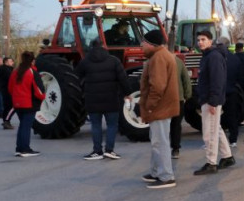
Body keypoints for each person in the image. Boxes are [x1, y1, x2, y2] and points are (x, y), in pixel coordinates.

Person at [136, 29, 179, 189]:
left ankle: (166, 176)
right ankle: (155, 172)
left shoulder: (158, 57)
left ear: (150, 43)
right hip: (162, 107)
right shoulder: (160, 55)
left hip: (160, 108)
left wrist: (149, 106)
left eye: (143, 42)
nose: (141, 45)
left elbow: (158, 86)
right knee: (157, 141)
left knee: (160, 142)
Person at [76, 38, 127, 160]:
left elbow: (76, 77)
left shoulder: (85, 62)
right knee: (112, 125)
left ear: (91, 47)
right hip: (111, 99)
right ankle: (109, 150)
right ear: (104, 46)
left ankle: (97, 151)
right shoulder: (114, 61)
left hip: (92, 99)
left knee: (96, 125)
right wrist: (128, 93)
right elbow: (123, 79)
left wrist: (84, 91)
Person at [193, 30, 233, 175]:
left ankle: (211, 163)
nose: (200, 42)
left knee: (209, 132)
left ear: (210, 41)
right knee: (216, 129)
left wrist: (213, 102)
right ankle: (227, 156)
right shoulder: (208, 56)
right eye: (198, 40)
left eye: (203, 39)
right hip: (208, 99)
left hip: (210, 101)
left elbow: (218, 81)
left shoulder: (213, 57)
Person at [7, 51, 45, 157]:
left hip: (17, 104)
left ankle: (19, 148)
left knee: (22, 126)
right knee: (26, 127)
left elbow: (10, 88)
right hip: (29, 104)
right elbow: (39, 90)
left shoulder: (15, 71)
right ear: (32, 61)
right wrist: (43, 97)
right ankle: (25, 149)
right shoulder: (32, 72)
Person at [220, 36, 244, 148]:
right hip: (232, 91)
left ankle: (219, 140)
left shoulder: (216, 58)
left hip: (219, 91)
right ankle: (233, 139)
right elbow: (241, 76)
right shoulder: (235, 59)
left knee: (216, 117)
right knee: (232, 115)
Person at [170, 55, 191, 159]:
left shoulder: (154, 60)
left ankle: (163, 149)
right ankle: (175, 149)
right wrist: (187, 95)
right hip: (178, 98)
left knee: (163, 126)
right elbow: (186, 79)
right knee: (176, 124)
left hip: (163, 100)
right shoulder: (178, 61)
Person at [0, 56, 12, 121]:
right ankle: (2, 114)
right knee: (1, 102)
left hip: (2, 88)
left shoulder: (5, 69)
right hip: (1, 88)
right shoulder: (0, 69)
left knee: (3, 102)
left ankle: (3, 114)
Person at [0, 56, 15, 130]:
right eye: (11, 61)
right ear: (6, 62)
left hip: (6, 90)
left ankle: (6, 121)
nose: (12, 62)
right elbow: (11, 79)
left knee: (7, 107)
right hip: (7, 90)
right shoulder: (5, 70)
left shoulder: (7, 69)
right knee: (12, 106)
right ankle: (6, 121)